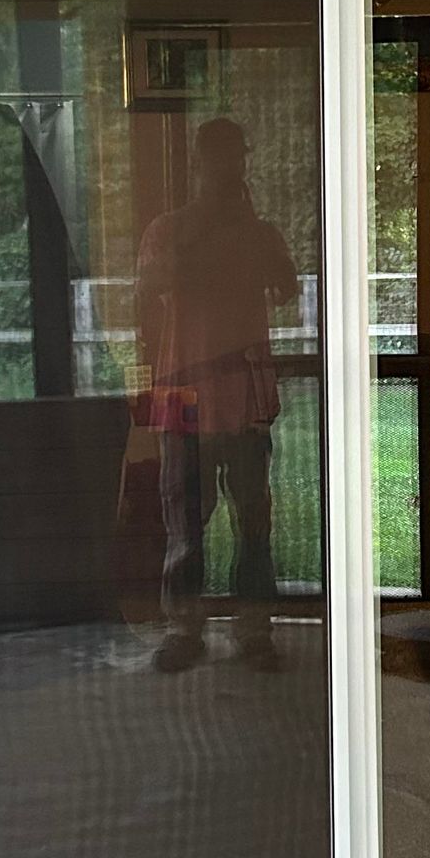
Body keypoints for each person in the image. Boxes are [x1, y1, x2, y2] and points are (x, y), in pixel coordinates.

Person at [136, 116, 298, 672]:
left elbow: (288, 289)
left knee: (252, 522)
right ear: (199, 164)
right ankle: (183, 629)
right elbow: (149, 291)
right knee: (184, 523)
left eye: (236, 157)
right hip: (183, 388)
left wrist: (252, 237)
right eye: (218, 158)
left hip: (247, 392)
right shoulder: (168, 229)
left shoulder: (260, 232)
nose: (228, 167)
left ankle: (254, 631)